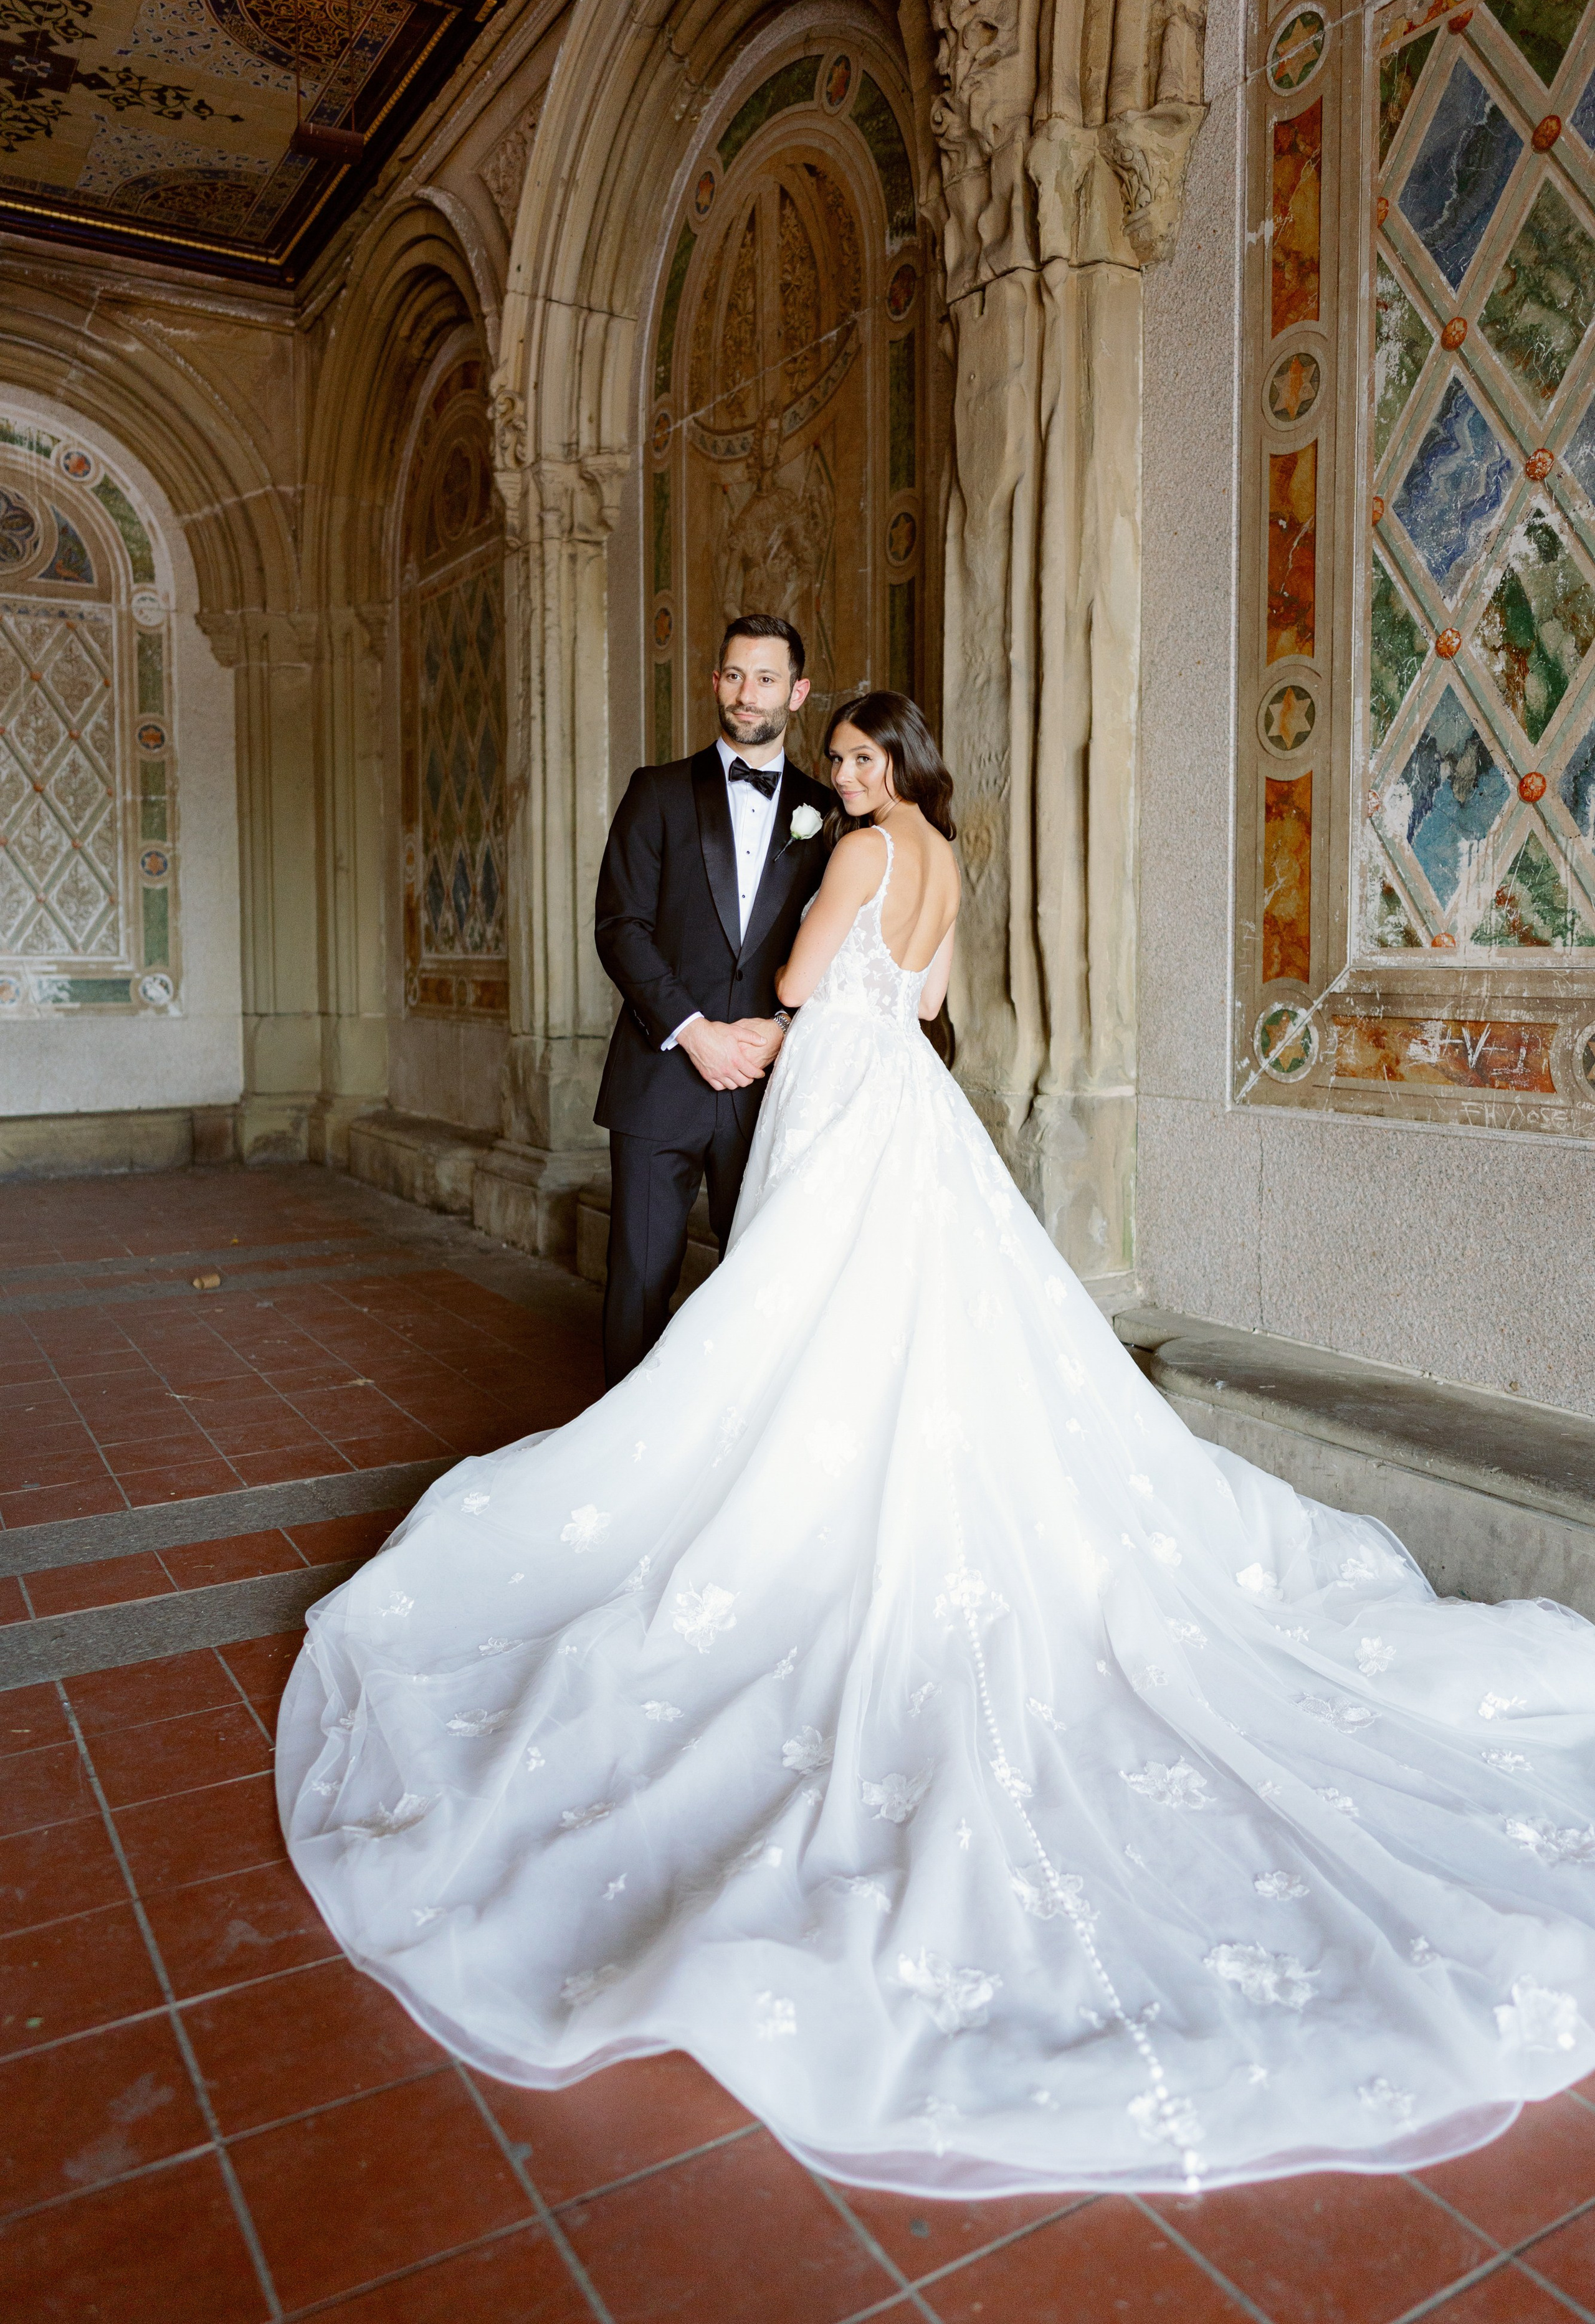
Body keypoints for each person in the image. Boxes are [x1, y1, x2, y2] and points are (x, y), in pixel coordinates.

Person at [277, 691, 1595, 2200]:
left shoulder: (853, 853)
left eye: (855, 756)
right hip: (910, 1099)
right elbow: (925, 1004)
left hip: (838, 1099)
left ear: (892, 762)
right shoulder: (948, 859)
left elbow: (798, 976)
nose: (840, 776)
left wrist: (806, 944)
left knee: (798, 1314)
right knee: (906, 1323)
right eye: (832, 760)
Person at [593, 613, 832, 1386]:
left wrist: (783, 1028)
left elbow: (842, 945)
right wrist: (695, 1032)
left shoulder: (828, 812)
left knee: (761, 1288)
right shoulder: (656, 792)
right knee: (637, 1284)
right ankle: (622, 1461)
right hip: (662, 1078)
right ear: (715, 681)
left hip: (770, 1086)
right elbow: (619, 928)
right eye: (732, 674)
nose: (745, 693)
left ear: (796, 692)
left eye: (765, 678)